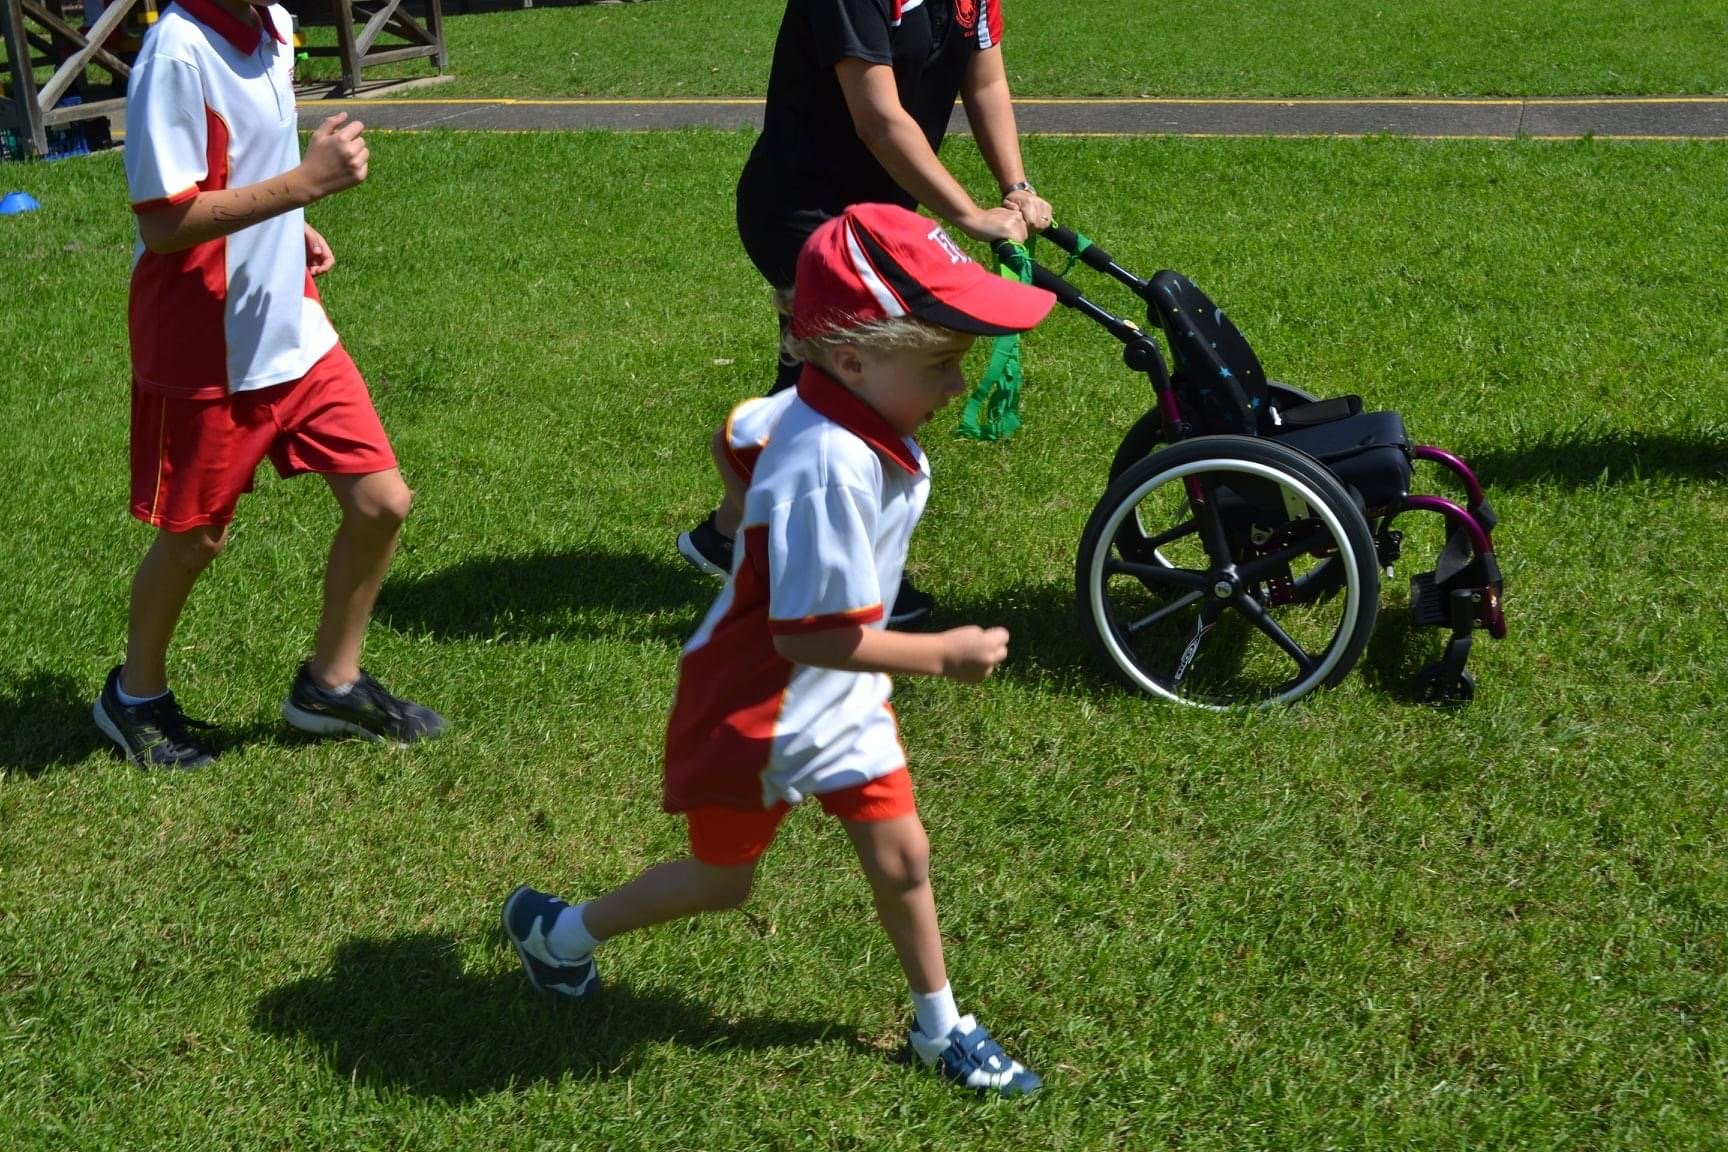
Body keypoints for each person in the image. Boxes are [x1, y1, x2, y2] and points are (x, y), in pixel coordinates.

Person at [504, 204, 1056, 1096]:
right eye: (943, 365)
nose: (956, 387)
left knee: (902, 857)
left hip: (843, 695)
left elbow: (738, 429)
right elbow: (808, 632)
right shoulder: (829, 463)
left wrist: (739, 519)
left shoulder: (827, 406)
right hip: (756, 705)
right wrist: (942, 653)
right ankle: (559, 934)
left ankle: (939, 1025)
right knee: (723, 883)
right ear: (852, 360)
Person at [93, 0, 443, 769]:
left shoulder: (274, 24)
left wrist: (291, 224)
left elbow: (243, 167)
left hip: (291, 322)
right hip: (203, 345)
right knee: (195, 539)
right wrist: (304, 187)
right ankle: (135, 695)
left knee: (381, 502)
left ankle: (330, 683)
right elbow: (165, 221)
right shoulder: (177, 51)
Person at [677, 0, 1055, 627]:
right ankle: (846, 577)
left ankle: (729, 535)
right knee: (873, 380)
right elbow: (879, 118)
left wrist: (1014, 186)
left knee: (817, 386)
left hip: (876, 211)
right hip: (802, 207)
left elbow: (983, 77)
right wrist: (968, 215)